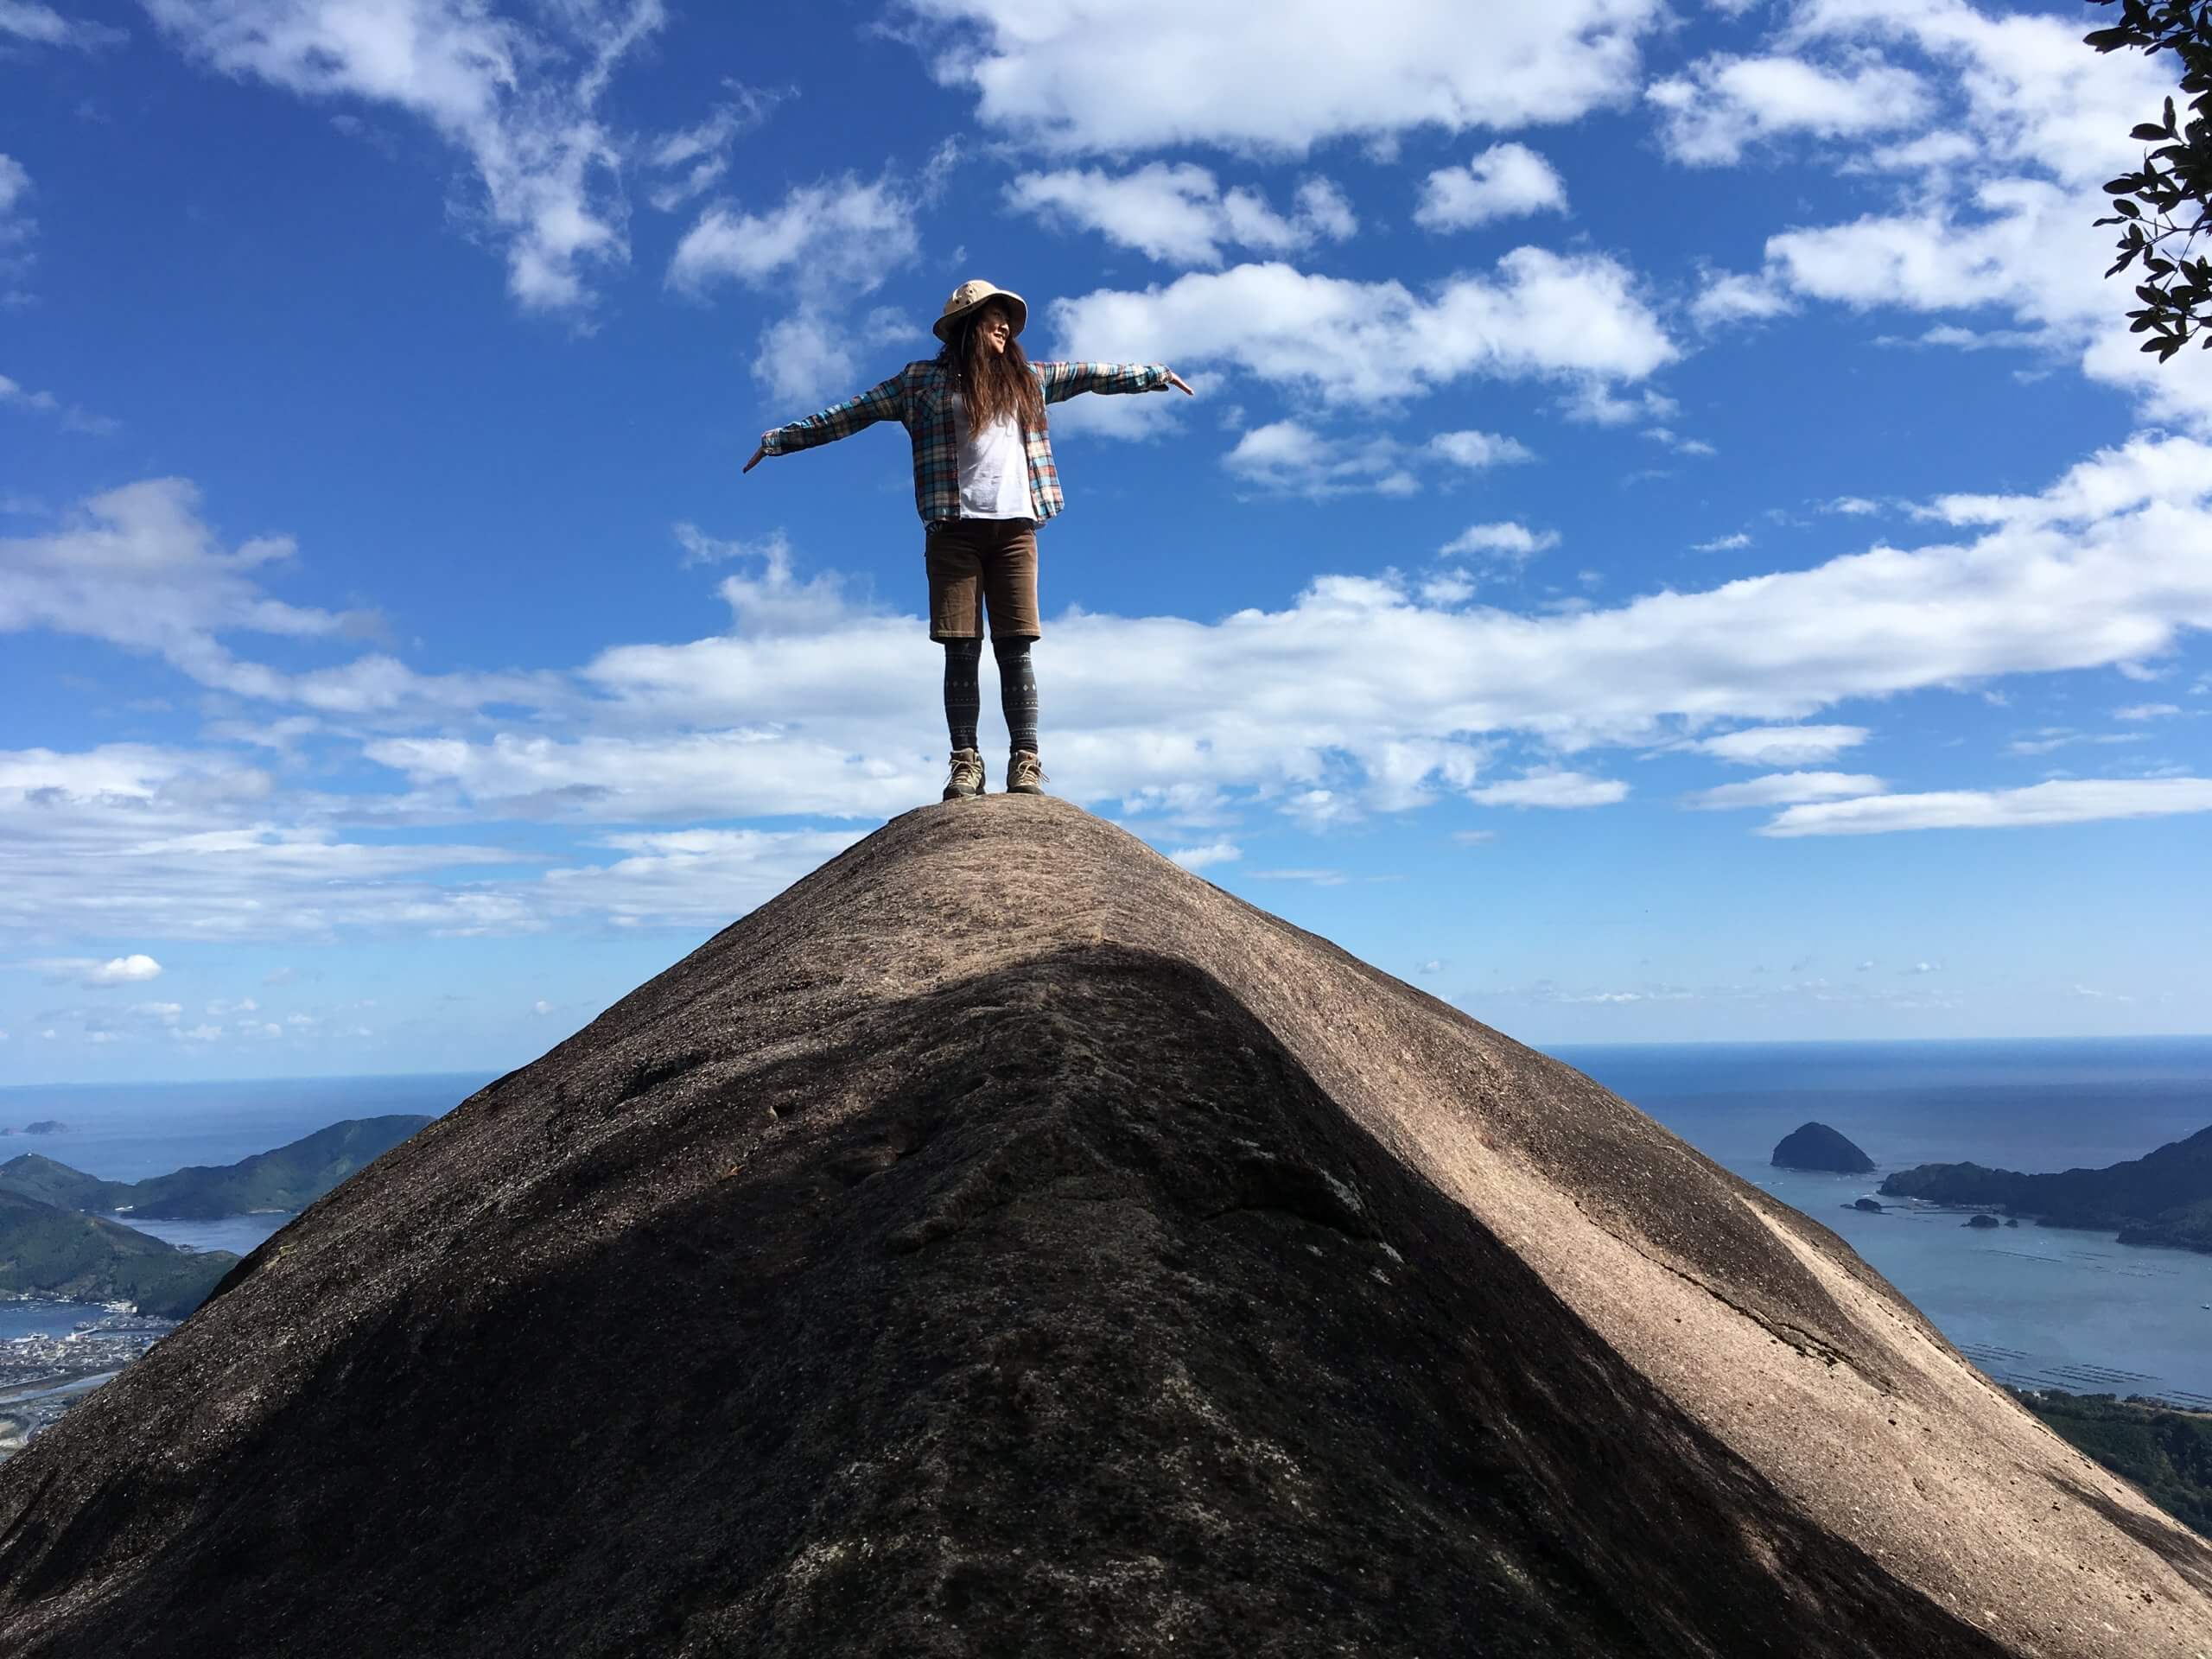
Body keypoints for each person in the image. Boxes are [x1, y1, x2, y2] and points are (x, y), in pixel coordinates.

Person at [744, 279, 1194, 801]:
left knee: (1016, 647)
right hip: (954, 532)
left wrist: (1153, 374)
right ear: (964, 327)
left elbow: (1092, 374)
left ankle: (1025, 759)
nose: (1004, 326)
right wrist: (778, 441)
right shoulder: (920, 383)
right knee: (960, 649)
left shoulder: (1028, 379)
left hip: (1015, 532)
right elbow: (852, 413)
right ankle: (965, 762)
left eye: (1008, 318)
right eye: (992, 317)